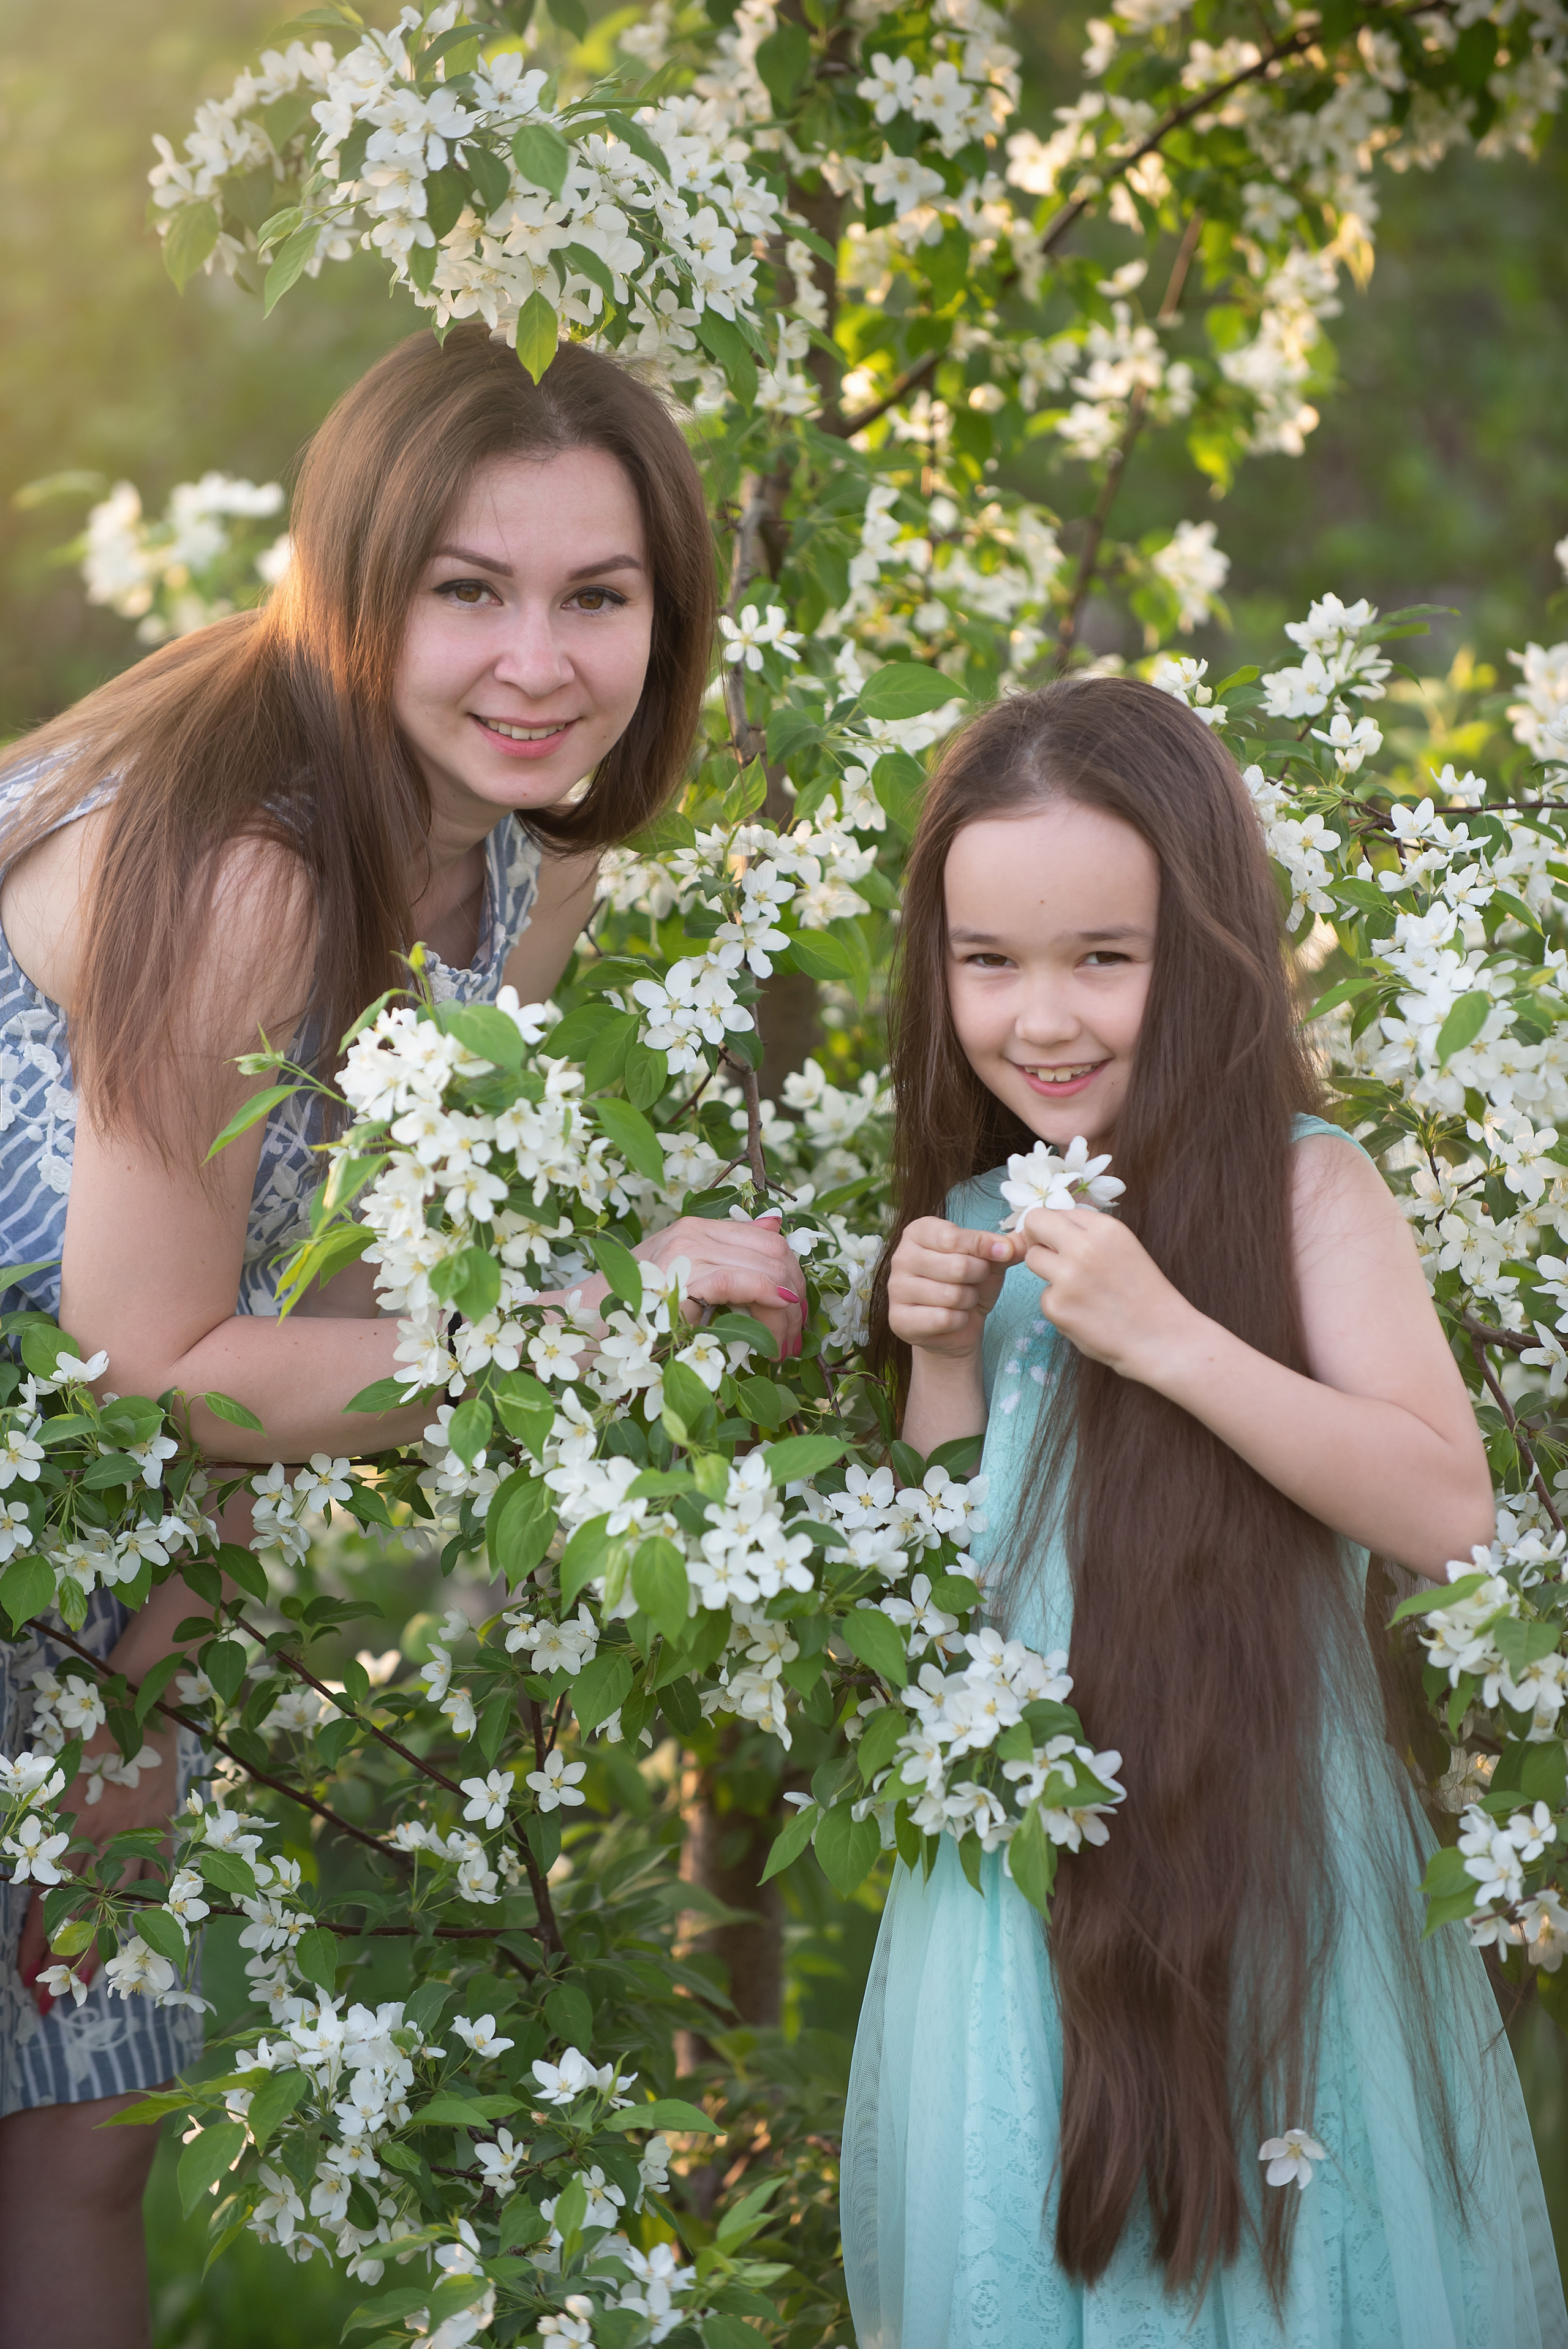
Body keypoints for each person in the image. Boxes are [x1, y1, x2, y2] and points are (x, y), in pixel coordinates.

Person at [0, 323, 804, 2349]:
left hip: (83, 1519)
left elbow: (336, 1285)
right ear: (359, 589)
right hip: (76, 1437)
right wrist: (593, 1322)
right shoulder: (253, 864)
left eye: (597, 596)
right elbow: (156, 1363)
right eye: (469, 589)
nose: (540, 661)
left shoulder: (528, 849)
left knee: (83, 2124)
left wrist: (148, 1664)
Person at [842, 676, 1567, 2347]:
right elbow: (963, 1591)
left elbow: (1447, 1507)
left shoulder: (1309, 1184)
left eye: (1106, 955)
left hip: (1261, 1881)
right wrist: (944, 1359)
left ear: (1209, 946)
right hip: (1020, 1903)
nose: (1045, 1018)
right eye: (989, 962)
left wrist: (1169, 1336)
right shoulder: (986, 1211)